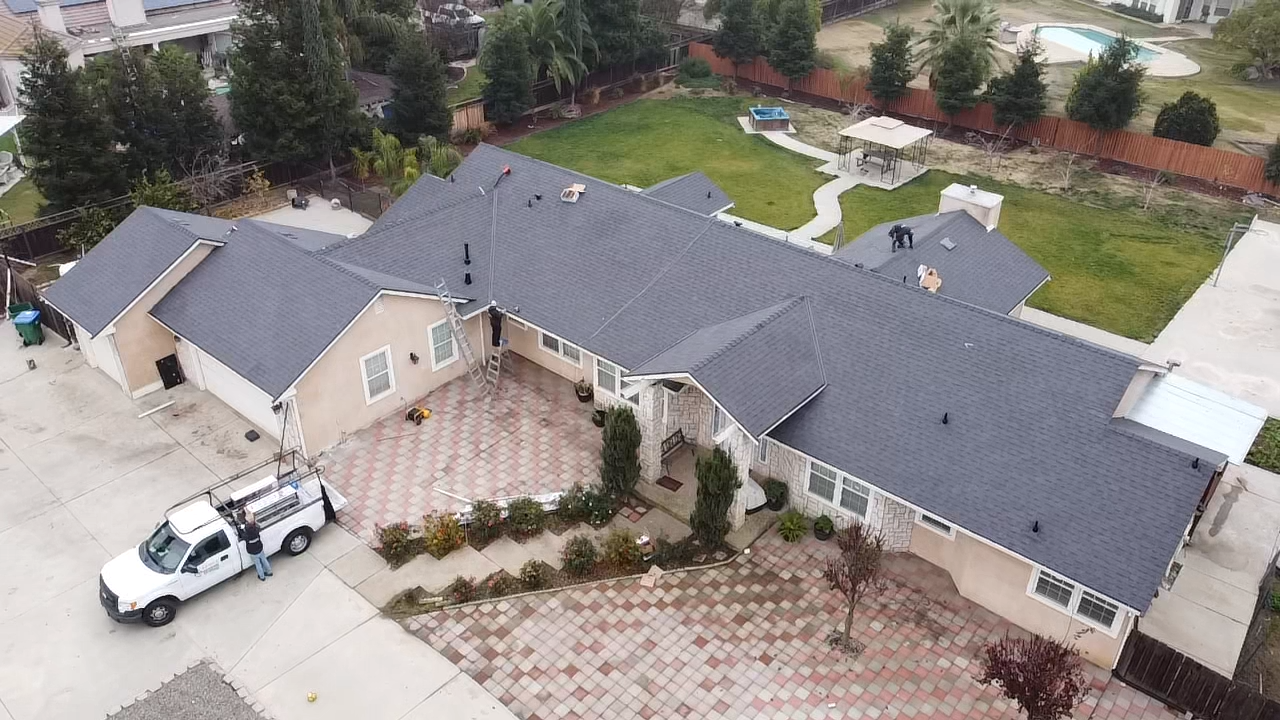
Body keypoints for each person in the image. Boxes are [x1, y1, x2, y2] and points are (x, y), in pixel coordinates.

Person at [238, 510, 272, 581]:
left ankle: (262, 577)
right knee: (264, 560)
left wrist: (241, 526)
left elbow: (240, 533)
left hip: (252, 552)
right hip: (259, 548)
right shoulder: (256, 530)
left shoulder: (246, 536)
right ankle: (269, 572)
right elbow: (256, 526)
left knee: (258, 564)